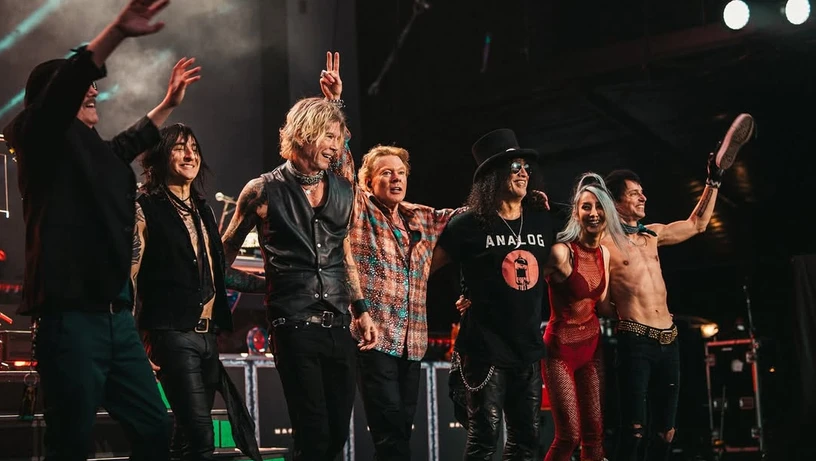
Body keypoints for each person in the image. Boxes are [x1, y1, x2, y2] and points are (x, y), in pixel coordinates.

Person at [1, 1, 193, 459]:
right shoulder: (41, 141)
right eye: (83, 87)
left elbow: (126, 144)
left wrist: (167, 105)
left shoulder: (94, 153)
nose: (93, 91)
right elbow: (69, 85)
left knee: (154, 426)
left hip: (116, 319)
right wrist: (116, 32)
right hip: (71, 320)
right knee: (70, 442)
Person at [317, 51, 462, 460]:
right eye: (386, 172)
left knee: (401, 428)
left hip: (413, 343)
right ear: (368, 181)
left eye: (400, 172)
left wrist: (518, 200)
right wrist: (334, 103)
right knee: (389, 430)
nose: (395, 178)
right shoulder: (359, 205)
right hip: (374, 337)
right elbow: (340, 161)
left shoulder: (421, 216)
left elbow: (467, 216)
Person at [220, 95, 378, 461]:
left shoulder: (343, 189)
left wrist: (361, 309)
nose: (335, 146)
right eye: (328, 136)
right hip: (293, 326)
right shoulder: (262, 190)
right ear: (304, 134)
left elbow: (344, 255)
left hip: (338, 325)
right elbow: (219, 260)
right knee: (313, 433)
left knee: (337, 434)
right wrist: (265, 285)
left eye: (338, 138)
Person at [602, 113, 755, 461]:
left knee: (666, 432)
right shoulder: (604, 243)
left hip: (668, 340)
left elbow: (697, 224)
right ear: (616, 202)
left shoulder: (652, 234)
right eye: (635, 194)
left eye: (642, 192)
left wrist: (713, 181)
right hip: (634, 341)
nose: (643, 198)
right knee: (634, 429)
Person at [455, 173, 628, 461]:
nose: (594, 213)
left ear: (608, 212)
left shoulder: (604, 254)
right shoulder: (561, 253)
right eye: (586, 207)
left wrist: (639, 315)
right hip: (560, 350)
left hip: (592, 349)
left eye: (599, 207)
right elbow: (517, 274)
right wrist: (474, 294)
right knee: (569, 436)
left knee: (594, 436)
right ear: (576, 213)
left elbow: (605, 306)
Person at [130, 123, 263, 461]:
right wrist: (131, 343)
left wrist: (271, 283)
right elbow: (129, 278)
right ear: (161, 156)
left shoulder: (203, 209)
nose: (190, 155)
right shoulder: (145, 207)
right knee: (202, 437)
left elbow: (218, 274)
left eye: (194, 148)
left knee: (185, 437)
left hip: (207, 337)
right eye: (179, 148)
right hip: (170, 333)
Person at [431, 128, 555, 460]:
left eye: (526, 167)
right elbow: (426, 269)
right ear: (494, 175)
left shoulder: (542, 220)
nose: (524, 173)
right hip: (485, 350)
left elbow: (587, 225)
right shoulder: (468, 225)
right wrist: (460, 293)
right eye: (515, 167)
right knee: (484, 440)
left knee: (526, 441)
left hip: (527, 350)